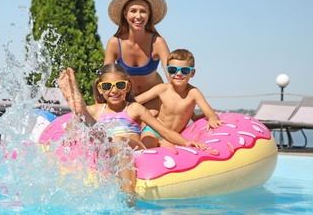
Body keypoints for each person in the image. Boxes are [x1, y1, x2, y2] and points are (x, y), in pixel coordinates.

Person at [58, 63, 207, 194]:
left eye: (120, 85)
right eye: (107, 86)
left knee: (117, 139)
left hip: (133, 146)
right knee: (95, 132)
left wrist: (186, 142)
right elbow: (74, 126)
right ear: (100, 89)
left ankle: (129, 196)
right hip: (106, 147)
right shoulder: (96, 110)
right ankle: (78, 110)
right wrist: (70, 133)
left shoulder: (134, 108)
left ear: (128, 87)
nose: (114, 90)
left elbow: (165, 131)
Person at [135, 49, 225, 148]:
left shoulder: (193, 93)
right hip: (153, 130)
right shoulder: (162, 89)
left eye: (184, 70)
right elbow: (135, 101)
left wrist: (212, 118)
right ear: (168, 72)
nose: (178, 74)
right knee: (148, 147)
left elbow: (210, 113)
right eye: (173, 70)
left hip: (174, 135)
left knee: (167, 152)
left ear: (192, 73)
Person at [104, 0, 170, 116]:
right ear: (125, 14)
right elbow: (105, 79)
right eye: (133, 11)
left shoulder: (158, 42)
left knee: (145, 123)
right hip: (125, 100)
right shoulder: (114, 43)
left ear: (149, 14)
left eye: (143, 11)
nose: (138, 16)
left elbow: (173, 79)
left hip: (153, 100)